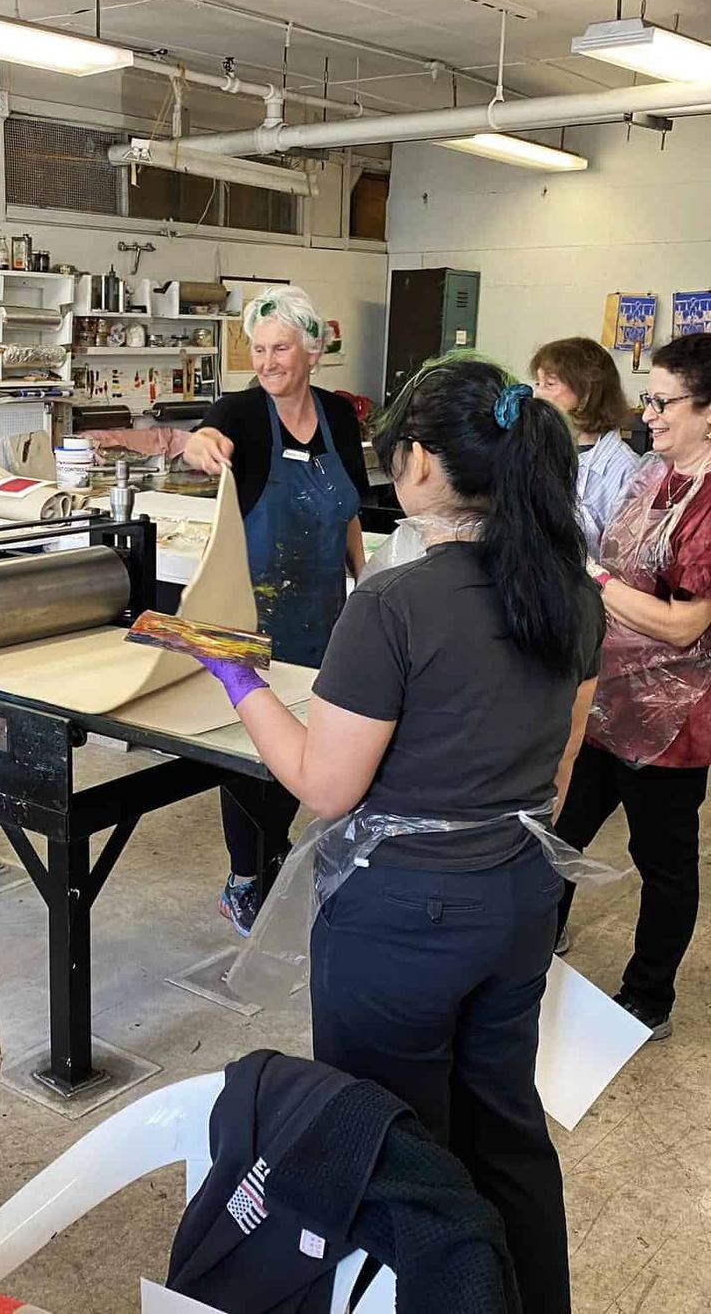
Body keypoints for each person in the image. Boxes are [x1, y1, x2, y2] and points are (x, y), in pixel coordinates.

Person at [200, 355, 606, 1314]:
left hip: (399, 916)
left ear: (419, 464)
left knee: (389, 1138)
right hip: (515, 899)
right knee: (505, 1123)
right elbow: (557, 775)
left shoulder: (393, 602)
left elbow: (323, 785)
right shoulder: (569, 593)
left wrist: (236, 678)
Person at [183, 286, 368, 936]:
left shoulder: (339, 418)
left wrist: (364, 578)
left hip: (321, 613)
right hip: (250, 617)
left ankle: (272, 851)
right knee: (250, 752)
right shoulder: (240, 411)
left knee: (307, 747)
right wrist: (198, 445)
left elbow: (344, 508)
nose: (267, 362)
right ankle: (243, 877)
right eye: (258, 349)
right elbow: (204, 434)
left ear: (312, 349)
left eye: (281, 347)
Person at [554, 333, 711, 1038]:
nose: (647, 412)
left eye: (663, 400)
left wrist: (589, 578)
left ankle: (650, 995)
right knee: (558, 828)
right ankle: (534, 944)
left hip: (671, 723)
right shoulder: (652, 474)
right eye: (648, 398)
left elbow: (683, 627)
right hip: (611, 697)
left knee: (664, 862)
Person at [531, 336, 641, 559]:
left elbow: (625, 558)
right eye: (538, 383)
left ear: (587, 393)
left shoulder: (625, 469)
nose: (538, 394)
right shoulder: (539, 448)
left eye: (550, 384)